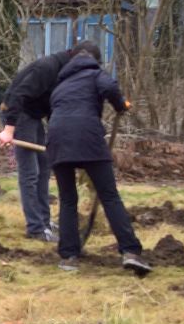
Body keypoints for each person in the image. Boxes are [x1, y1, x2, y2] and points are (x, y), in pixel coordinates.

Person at [43, 48, 149, 274]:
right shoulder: (94, 73)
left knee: (68, 199)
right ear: (95, 61)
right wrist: (121, 105)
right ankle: (130, 251)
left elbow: (54, 112)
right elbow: (110, 88)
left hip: (58, 140)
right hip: (88, 138)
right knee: (109, 195)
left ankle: (68, 257)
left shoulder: (60, 85)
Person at [0, 41, 106, 243]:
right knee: (30, 173)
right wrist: (9, 130)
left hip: (34, 116)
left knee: (45, 166)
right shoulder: (47, 68)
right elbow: (18, 95)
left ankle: (44, 222)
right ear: (79, 57)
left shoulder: (67, 73)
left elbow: (57, 107)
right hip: (19, 114)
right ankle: (35, 228)